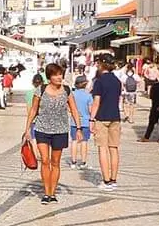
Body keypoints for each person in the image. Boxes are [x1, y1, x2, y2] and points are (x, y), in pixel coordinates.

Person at [23, 63, 82, 205]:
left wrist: (78, 128)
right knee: (44, 160)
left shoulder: (67, 91)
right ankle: (46, 192)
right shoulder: (40, 90)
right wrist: (27, 129)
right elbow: (33, 110)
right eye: (55, 75)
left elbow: (74, 110)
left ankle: (53, 193)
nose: (59, 77)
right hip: (42, 129)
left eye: (60, 74)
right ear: (49, 77)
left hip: (60, 130)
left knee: (55, 162)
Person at [90, 55, 123, 190]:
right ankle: (114, 179)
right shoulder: (117, 81)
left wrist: (91, 119)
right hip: (115, 116)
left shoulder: (99, 81)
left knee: (102, 148)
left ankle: (106, 180)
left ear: (101, 65)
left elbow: (96, 102)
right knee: (114, 148)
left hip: (102, 117)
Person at [70, 74, 93, 168]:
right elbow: (91, 110)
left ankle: (73, 162)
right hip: (85, 121)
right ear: (85, 84)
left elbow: (68, 107)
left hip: (74, 121)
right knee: (84, 141)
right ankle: (83, 162)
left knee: (74, 141)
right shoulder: (88, 96)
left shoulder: (72, 95)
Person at [141, 72, 159, 142]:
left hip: (155, 106)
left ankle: (147, 137)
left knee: (151, 123)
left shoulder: (155, 86)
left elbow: (151, 96)